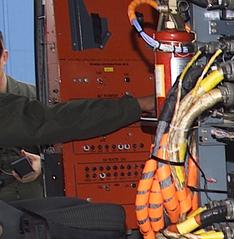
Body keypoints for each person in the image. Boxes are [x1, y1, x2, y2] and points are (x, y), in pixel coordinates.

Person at [0, 30, 155, 198]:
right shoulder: (29, 109)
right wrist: (137, 105)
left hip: (32, 202)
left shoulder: (35, 98)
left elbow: (61, 122)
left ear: (4, 56)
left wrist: (43, 165)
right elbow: (57, 120)